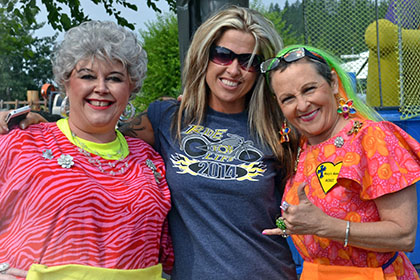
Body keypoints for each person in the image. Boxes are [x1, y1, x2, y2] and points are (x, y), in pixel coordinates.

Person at [0, 7, 298, 280]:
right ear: (204, 57)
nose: (234, 69)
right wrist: (31, 120)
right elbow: (94, 127)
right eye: (222, 55)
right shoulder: (165, 119)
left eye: (248, 61)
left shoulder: (280, 129)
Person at [0, 21, 173, 280]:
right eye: (88, 76)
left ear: (131, 88)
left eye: (114, 78)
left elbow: (171, 250)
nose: (101, 88)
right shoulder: (22, 144)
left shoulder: (149, 159)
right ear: (66, 83)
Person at [260, 45, 420, 279]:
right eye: (288, 99)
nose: (302, 105)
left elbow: (403, 235)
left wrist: (323, 226)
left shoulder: (373, 138)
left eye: (310, 89)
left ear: (333, 83)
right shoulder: (299, 147)